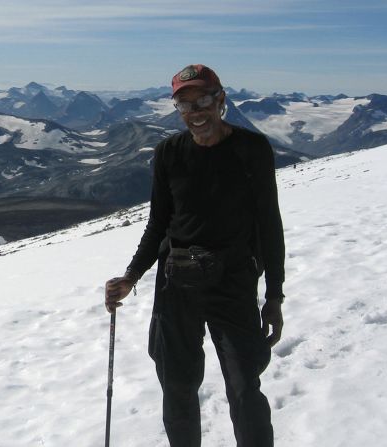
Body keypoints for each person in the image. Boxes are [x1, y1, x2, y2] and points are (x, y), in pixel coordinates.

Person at [105, 64, 285, 447]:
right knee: (178, 387)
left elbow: (270, 225)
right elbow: (159, 224)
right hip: (176, 284)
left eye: (202, 99)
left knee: (243, 388)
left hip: (233, 282)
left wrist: (274, 296)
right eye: (184, 104)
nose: (194, 111)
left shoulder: (251, 150)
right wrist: (131, 277)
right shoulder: (169, 153)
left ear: (220, 100)